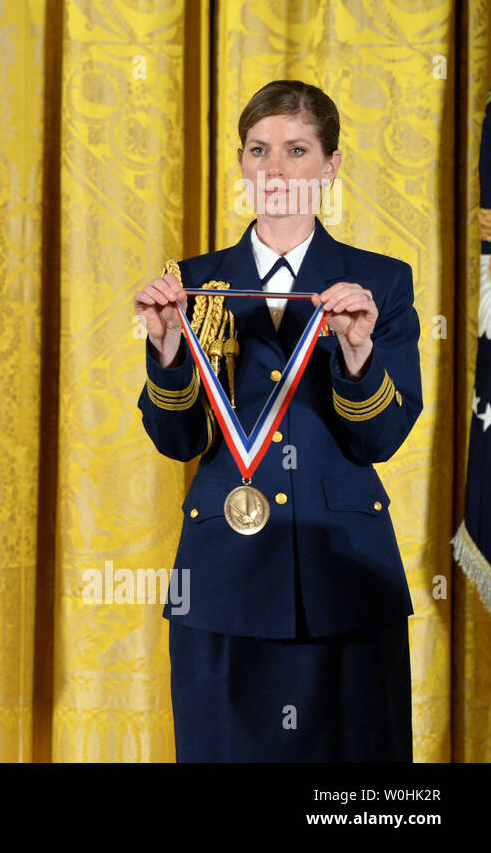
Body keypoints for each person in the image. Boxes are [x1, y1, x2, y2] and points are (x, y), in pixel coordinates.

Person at [132, 79, 421, 762]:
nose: (276, 170)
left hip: (344, 578)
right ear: (240, 163)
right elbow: (178, 439)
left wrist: (357, 355)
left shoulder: (380, 280)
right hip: (223, 578)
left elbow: (382, 435)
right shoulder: (195, 281)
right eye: (259, 150)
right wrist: (168, 348)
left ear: (331, 165)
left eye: (297, 150)